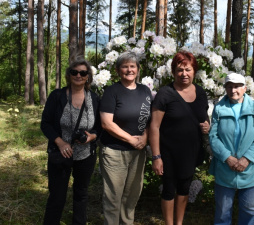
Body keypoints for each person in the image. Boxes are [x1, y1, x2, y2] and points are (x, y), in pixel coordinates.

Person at [149, 51, 210, 225]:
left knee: (184, 189)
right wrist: (156, 156)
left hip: (191, 151)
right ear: (173, 72)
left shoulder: (200, 92)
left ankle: (179, 223)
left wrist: (207, 125)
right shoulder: (165, 94)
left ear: (194, 71)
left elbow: (203, 117)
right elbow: (154, 126)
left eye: (188, 69)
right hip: (168, 152)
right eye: (180, 70)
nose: (184, 74)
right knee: (169, 190)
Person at [41, 57, 101, 225]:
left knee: (81, 194)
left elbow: (100, 127)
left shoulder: (94, 99)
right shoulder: (57, 96)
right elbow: (45, 123)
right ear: (69, 75)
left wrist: (92, 136)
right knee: (57, 196)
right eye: (74, 72)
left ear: (88, 76)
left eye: (83, 73)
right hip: (61, 154)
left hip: (86, 155)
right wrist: (60, 142)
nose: (78, 76)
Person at [99, 51, 152, 225]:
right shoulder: (112, 91)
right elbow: (107, 123)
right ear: (117, 70)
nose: (129, 70)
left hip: (138, 152)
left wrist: (144, 137)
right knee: (113, 196)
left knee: (132, 195)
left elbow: (149, 119)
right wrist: (131, 140)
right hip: (115, 152)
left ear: (138, 69)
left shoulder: (145, 91)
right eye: (125, 66)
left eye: (132, 66)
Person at [209, 73, 254, 225]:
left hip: (250, 168)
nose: (233, 90)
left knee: (249, 210)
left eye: (237, 86)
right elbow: (213, 137)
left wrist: (246, 159)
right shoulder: (219, 108)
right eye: (229, 86)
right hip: (225, 167)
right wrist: (227, 158)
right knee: (222, 211)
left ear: (244, 88)